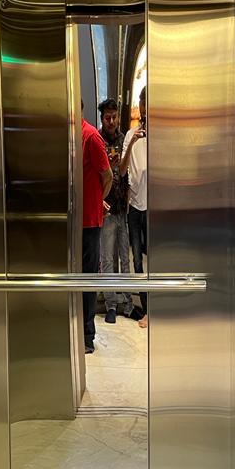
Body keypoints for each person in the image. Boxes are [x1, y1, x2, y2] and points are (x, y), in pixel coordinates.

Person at [98, 99, 134, 323]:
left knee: (125, 258)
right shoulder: (97, 139)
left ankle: (128, 304)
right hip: (106, 209)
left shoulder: (123, 139)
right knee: (107, 260)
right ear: (102, 118)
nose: (111, 121)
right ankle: (110, 305)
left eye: (114, 117)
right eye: (107, 117)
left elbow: (124, 172)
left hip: (122, 208)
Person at [82, 104, 112, 354]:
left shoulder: (91, 136)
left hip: (89, 222)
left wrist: (97, 200)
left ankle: (86, 336)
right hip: (72, 221)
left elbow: (108, 175)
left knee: (87, 278)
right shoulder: (70, 137)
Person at [121, 85, 148, 328]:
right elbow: (122, 170)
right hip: (135, 206)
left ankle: (159, 308)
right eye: (142, 103)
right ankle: (147, 309)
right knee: (137, 260)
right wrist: (132, 142)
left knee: (155, 259)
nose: (144, 108)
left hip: (155, 207)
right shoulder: (130, 135)